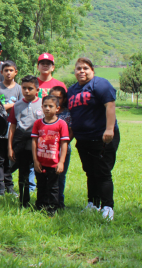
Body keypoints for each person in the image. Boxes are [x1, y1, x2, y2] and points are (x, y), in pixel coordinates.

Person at [68, 57, 120, 220]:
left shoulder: (100, 84)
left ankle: (107, 206)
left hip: (102, 136)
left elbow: (110, 106)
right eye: (78, 68)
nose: (81, 71)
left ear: (92, 70)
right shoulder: (72, 90)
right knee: (90, 172)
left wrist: (109, 129)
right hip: (83, 139)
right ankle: (93, 203)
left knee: (102, 172)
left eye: (85, 68)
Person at [8, 75, 43, 207]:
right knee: (23, 172)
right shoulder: (17, 105)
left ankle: (41, 201)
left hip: (38, 142)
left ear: (37, 89)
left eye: (30, 88)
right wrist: (10, 147)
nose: (27, 91)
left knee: (39, 170)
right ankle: (24, 200)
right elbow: (12, 127)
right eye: (24, 88)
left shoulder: (43, 104)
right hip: (21, 141)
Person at [31, 95, 69, 215]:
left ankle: (53, 208)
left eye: (50, 106)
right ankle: (40, 205)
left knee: (53, 187)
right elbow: (34, 142)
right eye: (45, 106)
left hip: (54, 163)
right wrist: (35, 160)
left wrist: (61, 162)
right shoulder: (38, 123)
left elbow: (64, 143)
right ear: (41, 107)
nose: (47, 108)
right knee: (41, 185)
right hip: (40, 162)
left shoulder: (61, 124)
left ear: (57, 108)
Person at [0, 60, 21, 196]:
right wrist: (11, 105)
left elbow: (22, 106)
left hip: (14, 127)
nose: (8, 73)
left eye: (11, 70)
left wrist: (4, 106)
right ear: (1, 72)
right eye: (6, 70)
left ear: (16, 72)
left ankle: (9, 185)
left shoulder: (20, 89)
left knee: (10, 157)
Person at [50, 85, 73, 209]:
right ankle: (46, 200)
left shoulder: (68, 113)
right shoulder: (46, 110)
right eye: (53, 97)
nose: (57, 99)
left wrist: (62, 144)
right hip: (46, 150)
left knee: (60, 176)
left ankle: (59, 202)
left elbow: (71, 131)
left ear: (64, 99)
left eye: (59, 97)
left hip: (63, 150)